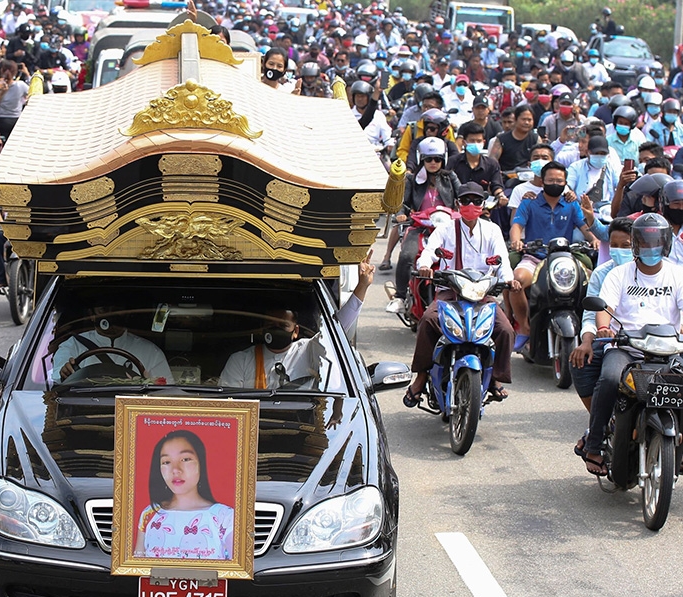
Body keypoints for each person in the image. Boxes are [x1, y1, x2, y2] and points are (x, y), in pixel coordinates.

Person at [581, 213, 683, 478]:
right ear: (635, 244)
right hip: (626, 349)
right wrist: (604, 326)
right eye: (644, 241)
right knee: (608, 379)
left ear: (665, 244)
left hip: (668, 352)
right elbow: (604, 308)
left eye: (655, 241)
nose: (650, 247)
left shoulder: (678, 276)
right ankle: (593, 445)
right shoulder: (619, 275)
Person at [401, 183, 515, 406]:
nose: (471, 205)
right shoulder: (445, 230)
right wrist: (425, 266)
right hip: (449, 293)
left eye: (476, 201)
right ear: (457, 204)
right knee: (428, 321)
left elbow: (503, 260)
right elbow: (428, 253)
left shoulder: (492, 230)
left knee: (506, 330)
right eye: (465, 201)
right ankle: (422, 375)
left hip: (483, 294)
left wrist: (509, 279)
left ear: (483, 205)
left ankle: (494, 378)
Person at [220, 254, 372, 389]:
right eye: (271, 325)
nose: (276, 329)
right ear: (262, 329)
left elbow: (338, 328)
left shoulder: (309, 350)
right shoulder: (241, 360)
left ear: (295, 331)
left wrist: (362, 286)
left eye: (283, 325)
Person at [508, 161, 602, 346]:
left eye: (560, 181)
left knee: (592, 282)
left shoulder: (571, 204)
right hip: (536, 257)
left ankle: (589, 330)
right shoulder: (529, 202)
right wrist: (516, 240)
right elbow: (517, 225)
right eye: (551, 180)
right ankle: (525, 328)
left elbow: (584, 226)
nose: (555, 183)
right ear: (542, 181)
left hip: (564, 258)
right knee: (517, 280)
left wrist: (594, 239)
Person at [386, 137, 462, 313]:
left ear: (443, 158)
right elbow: (401, 204)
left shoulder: (450, 177)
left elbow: (463, 195)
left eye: (437, 159)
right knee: (406, 256)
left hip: (446, 229)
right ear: (422, 159)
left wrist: (474, 203)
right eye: (429, 159)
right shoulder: (411, 180)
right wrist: (401, 215)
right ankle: (400, 296)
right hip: (419, 227)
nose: (433, 163)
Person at [569, 216, 634, 419]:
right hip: (612, 340)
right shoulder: (603, 273)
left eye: (626, 245)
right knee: (583, 363)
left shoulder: (658, 271)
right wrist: (588, 339)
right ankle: (601, 422)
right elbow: (591, 313)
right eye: (614, 245)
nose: (619, 250)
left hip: (652, 340)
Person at [134, 430, 233, 561]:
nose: (175, 470)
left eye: (185, 459)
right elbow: (138, 568)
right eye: (166, 462)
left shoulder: (224, 517)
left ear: (201, 463)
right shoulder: (150, 514)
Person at [53, 304, 174, 384]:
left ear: (126, 313)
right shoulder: (73, 345)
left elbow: (165, 390)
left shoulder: (150, 351)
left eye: (117, 310)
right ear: (92, 314)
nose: (111, 316)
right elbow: (57, 377)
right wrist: (64, 373)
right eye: (104, 310)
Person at [489, 104, 539, 174]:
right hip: (506, 176)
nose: (526, 122)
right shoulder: (501, 139)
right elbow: (492, 161)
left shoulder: (536, 139)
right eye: (523, 119)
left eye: (529, 120)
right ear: (515, 120)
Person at [0, 59, 28, 141]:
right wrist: (27, 74)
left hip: (0, 119)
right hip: (16, 118)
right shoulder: (21, 85)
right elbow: (32, 93)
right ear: (15, 72)